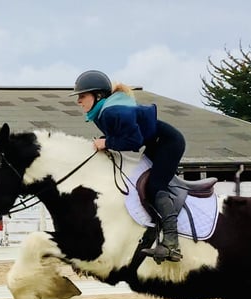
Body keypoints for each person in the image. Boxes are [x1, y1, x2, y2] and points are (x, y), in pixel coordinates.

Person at [71, 70, 185, 263]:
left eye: (82, 96)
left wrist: (106, 143)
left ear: (98, 95)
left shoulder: (111, 111)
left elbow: (133, 140)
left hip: (168, 143)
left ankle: (172, 244)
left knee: (155, 186)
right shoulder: (104, 111)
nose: (79, 101)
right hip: (155, 143)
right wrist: (107, 140)